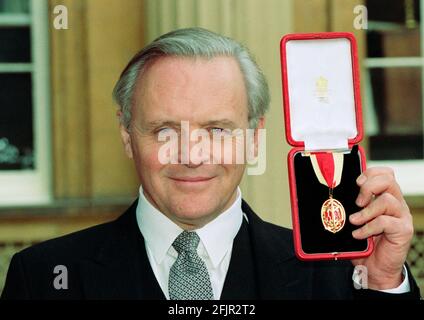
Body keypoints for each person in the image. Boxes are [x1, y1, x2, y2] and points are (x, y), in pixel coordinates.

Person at [1, 27, 420, 299]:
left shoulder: (335, 277)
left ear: (254, 137)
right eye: (165, 130)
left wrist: (383, 284)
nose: (192, 155)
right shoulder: (43, 280)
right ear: (127, 135)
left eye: (217, 131)